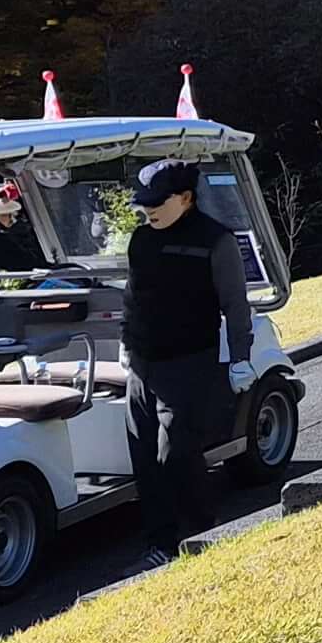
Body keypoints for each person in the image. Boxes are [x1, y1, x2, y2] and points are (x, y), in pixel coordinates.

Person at [120, 160, 253, 570]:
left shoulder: (215, 241)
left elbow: (235, 304)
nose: (149, 211)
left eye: (157, 203)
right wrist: (126, 345)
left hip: (188, 363)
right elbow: (133, 297)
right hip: (143, 365)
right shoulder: (141, 240)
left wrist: (241, 357)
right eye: (144, 204)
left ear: (186, 198)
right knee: (145, 460)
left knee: (174, 455)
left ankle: (200, 534)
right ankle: (159, 544)